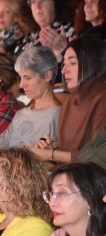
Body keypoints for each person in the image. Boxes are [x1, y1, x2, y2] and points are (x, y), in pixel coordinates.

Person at [28, 35, 106, 163]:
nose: (64, 71)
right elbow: (71, 151)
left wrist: (52, 154)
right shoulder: (71, 98)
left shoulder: (103, 99)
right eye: (64, 64)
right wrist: (52, 149)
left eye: (73, 63)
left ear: (92, 63)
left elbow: (98, 157)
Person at [0, 45, 60, 148]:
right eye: (21, 78)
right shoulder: (20, 114)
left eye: (27, 78)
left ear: (47, 76)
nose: (21, 85)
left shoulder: (58, 116)